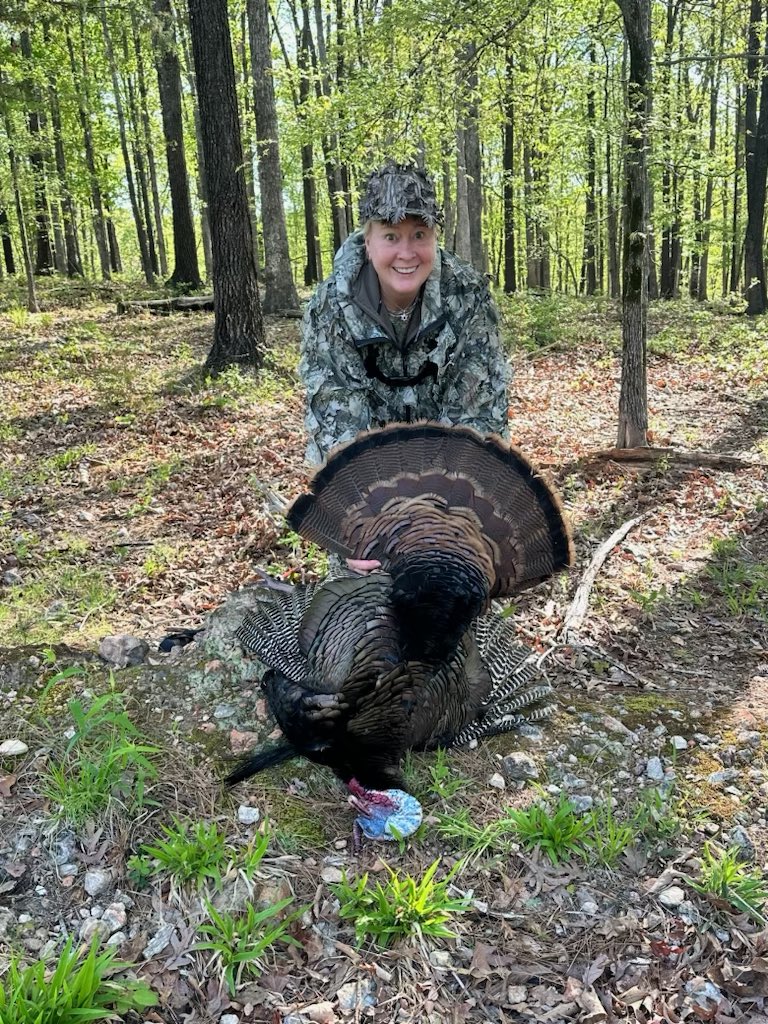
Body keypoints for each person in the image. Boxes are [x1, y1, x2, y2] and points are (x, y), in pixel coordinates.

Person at [299, 160, 510, 467]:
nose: (407, 253)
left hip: (450, 477)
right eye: (391, 236)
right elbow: (339, 427)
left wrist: (441, 498)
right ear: (368, 241)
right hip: (370, 480)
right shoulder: (332, 305)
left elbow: (476, 416)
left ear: (435, 237)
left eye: (419, 234)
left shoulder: (468, 296)